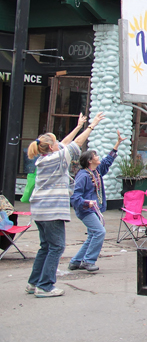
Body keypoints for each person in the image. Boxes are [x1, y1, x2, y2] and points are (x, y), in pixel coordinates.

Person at [26, 112, 104, 298]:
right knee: (57, 247)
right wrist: (92, 125)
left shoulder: (45, 158)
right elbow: (75, 144)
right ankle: (45, 286)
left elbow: (65, 143)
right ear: (51, 147)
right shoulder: (57, 159)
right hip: (51, 210)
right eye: (55, 142)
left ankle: (34, 282)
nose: (59, 144)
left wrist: (78, 126)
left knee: (46, 246)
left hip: (39, 210)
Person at [68, 129, 126, 272]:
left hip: (95, 209)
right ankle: (88, 261)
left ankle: (76, 261)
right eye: (96, 156)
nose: (98, 157)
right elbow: (75, 197)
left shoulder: (96, 171)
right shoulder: (83, 175)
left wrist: (117, 144)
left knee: (93, 235)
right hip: (86, 210)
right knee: (100, 232)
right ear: (89, 161)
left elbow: (107, 161)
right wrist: (87, 203)